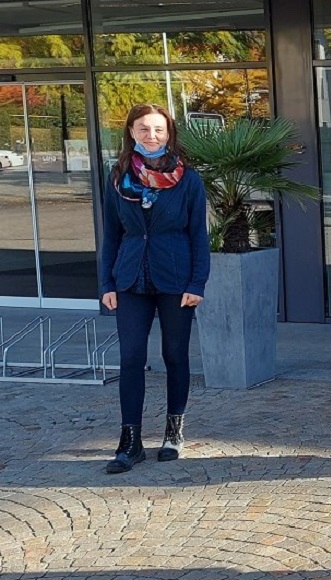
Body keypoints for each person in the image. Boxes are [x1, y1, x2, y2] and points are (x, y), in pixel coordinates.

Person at [100, 104, 210, 474]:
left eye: (159, 129)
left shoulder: (188, 179)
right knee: (131, 356)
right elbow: (111, 235)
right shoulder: (118, 177)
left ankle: (173, 432)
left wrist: (197, 282)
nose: (151, 136)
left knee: (174, 355)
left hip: (176, 280)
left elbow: (198, 235)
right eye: (144, 129)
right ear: (131, 132)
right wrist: (107, 283)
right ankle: (130, 442)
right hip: (130, 279)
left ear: (169, 133)